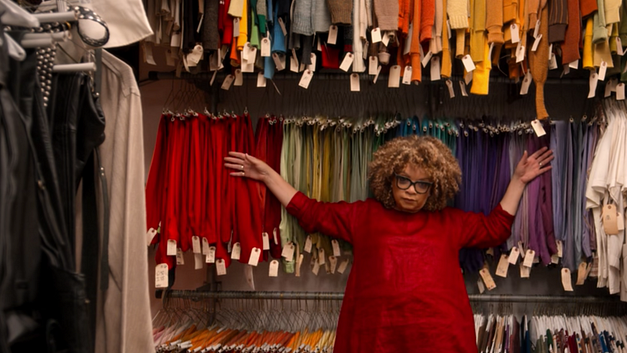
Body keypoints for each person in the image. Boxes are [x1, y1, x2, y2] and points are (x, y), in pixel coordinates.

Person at [223, 135, 553, 353]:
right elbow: (310, 212)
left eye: (421, 184)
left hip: (439, 340)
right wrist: (268, 176)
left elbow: (496, 229)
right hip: (376, 338)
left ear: (434, 188)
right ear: (389, 179)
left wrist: (518, 181)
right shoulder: (363, 216)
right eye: (404, 180)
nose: (411, 189)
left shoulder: (451, 222)